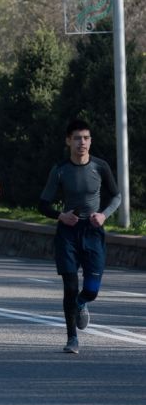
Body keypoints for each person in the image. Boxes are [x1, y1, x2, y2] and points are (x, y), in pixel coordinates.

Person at [39, 119, 122, 354]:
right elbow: (42, 204)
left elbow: (116, 196)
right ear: (68, 141)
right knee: (70, 286)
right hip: (68, 233)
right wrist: (60, 216)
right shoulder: (60, 169)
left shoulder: (100, 166)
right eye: (77, 138)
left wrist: (104, 215)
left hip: (93, 232)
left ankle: (83, 303)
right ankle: (72, 338)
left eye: (86, 138)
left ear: (90, 141)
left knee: (91, 289)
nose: (81, 143)